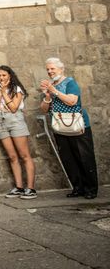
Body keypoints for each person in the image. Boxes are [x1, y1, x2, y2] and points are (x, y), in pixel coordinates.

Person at [40, 57, 98, 199]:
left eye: (52, 68)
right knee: (68, 159)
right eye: (48, 69)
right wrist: (47, 96)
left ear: (61, 68)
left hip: (78, 125)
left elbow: (72, 101)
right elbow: (44, 109)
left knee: (84, 158)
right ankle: (77, 188)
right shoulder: (50, 87)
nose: (50, 71)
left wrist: (54, 91)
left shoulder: (70, 82)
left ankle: (90, 189)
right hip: (60, 126)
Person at [0, 66, 36, 199]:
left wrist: (4, 93)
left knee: (24, 155)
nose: (1, 78)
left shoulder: (17, 89)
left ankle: (31, 188)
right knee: (12, 156)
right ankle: (19, 187)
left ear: (10, 76)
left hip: (15, 121)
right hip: (1, 121)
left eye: (4, 75)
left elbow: (14, 108)